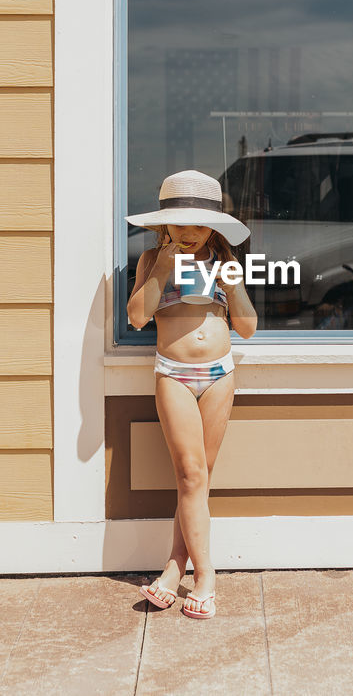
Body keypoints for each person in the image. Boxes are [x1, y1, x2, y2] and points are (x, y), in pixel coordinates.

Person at [125, 170, 257, 620]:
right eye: (180, 224)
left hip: (219, 374)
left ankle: (172, 569)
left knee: (195, 481)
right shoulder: (150, 260)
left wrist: (232, 285)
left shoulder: (226, 261)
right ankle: (206, 577)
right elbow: (139, 318)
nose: (189, 233)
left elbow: (247, 327)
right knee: (190, 475)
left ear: (214, 227)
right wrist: (161, 270)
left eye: (200, 225)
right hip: (174, 374)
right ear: (164, 224)